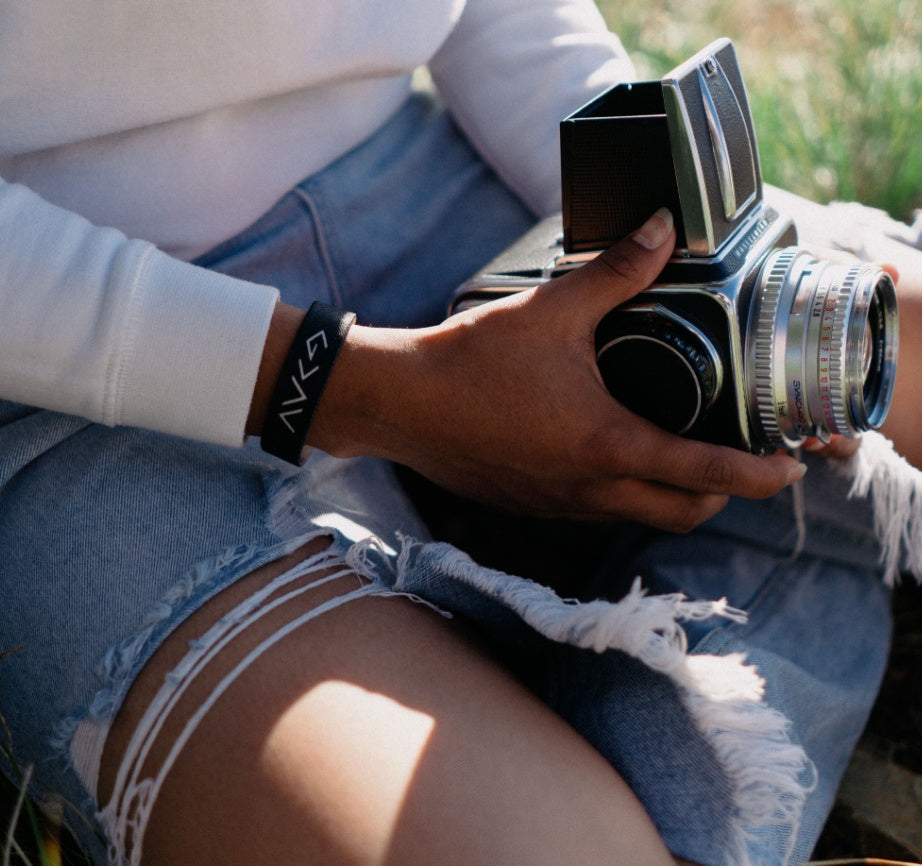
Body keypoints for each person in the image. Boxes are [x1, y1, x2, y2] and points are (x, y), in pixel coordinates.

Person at [1, 1, 920, 864]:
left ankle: (573, 693)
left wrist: (649, 236)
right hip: (83, 372)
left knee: (862, 342)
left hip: (451, 186)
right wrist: (355, 389)